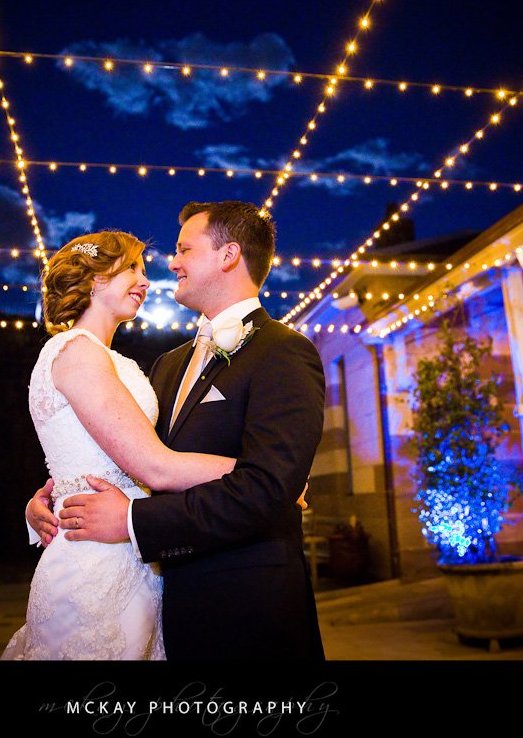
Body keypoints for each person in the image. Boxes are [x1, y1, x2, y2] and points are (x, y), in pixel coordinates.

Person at [27, 201, 326, 661]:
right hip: (164, 596)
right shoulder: (167, 365)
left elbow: (266, 485)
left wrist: (275, 480)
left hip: (245, 607)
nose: (170, 264)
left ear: (228, 255)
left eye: (184, 249)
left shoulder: (284, 352)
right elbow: (130, 455)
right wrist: (54, 498)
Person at [2, 230, 235, 661]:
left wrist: (49, 498)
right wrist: (260, 474)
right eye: (131, 268)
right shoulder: (75, 351)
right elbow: (155, 465)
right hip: (95, 558)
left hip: (135, 548)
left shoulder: (117, 361)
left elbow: (94, 449)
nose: (145, 281)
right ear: (94, 279)